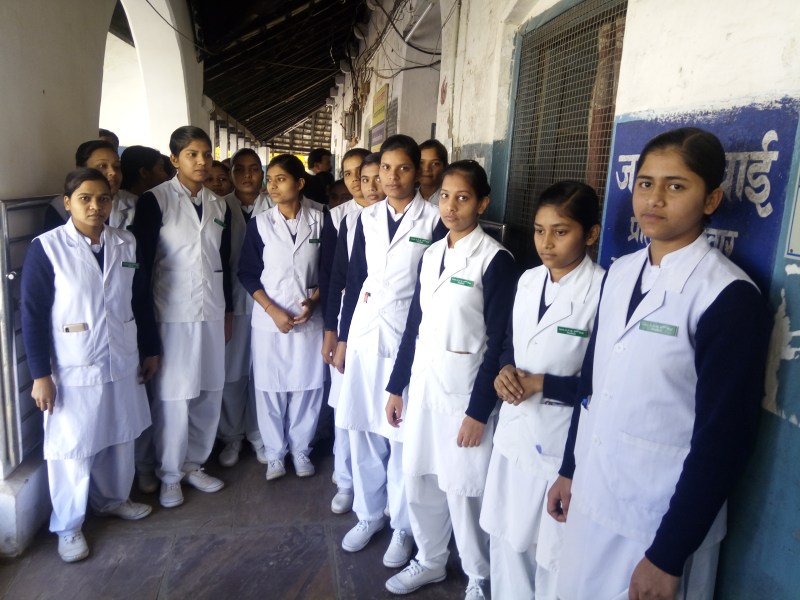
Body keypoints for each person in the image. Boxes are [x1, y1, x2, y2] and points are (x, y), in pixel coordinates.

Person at [546, 128, 772, 600]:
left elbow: (725, 439)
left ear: (711, 200)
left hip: (657, 522)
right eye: (646, 183)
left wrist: (669, 555)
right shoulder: (621, 272)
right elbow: (592, 384)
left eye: (676, 186)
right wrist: (569, 468)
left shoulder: (727, 296)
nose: (654, 198)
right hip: (594, 491)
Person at [383, 161, 517, 598]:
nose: (451, 206)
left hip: (464, 397)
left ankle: (479, 576)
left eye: (462, 197)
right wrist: (396, 386)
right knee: (419, 479)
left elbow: (499, 343)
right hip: (423, 389)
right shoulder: (431, 254)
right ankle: (431, 560)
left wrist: (479, 412)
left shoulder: (495, 261)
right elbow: (414, 327)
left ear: (482, 203)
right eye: (444, 196)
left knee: (464, 489)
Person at [21, 168, 160, 562]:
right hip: (72, 364)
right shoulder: (47, 248)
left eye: (103, 198)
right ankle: (68, 527)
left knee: (120, 434)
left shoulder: (125, 242)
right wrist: (40, 375)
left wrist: (150, 349)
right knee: (73, 446)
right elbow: (32, 314)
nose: (95, 206)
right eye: (85, 198)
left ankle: (113, 499)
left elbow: (139, 301)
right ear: (67, 203)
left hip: (123, 356)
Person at [481, 181, 604, 599]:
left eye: (560, 231)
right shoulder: (528, 280)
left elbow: (603, 385)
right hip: (515, 432)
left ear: (591, 234)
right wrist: (504, 370)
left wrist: (543, 384)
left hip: (559, 443)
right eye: (539, 230)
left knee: (552, 555)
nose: (546, 243)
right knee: (506, 540)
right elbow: (509, 344)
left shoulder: (603, 292)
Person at [333, 134, 447, 569]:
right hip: (364, 334)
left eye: (403, 168)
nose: (393, 177)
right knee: (362, 430)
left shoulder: (433, 220)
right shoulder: (366, 218)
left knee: (400, 437)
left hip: (406, 339)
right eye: (385, 168)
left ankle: (401, 526)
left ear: (418, 172)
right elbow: (355, 279)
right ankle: (368, 515)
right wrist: (343, 337)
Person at [131, 125, 233, 509]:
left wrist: (227, 311)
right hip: (171, 313)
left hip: (211, 310)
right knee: (174, 396)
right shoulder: (155, 201)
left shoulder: (218, 205)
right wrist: (145, 330)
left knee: (209, 390)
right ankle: (170, 474)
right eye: (192, 154)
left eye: (206, 154)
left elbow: (223, 261)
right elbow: (141, 265)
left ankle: (194, 463)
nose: (202, 161)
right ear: (174, 159)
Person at [238, 154, 325, 481]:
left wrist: (314, 302)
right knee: (270, 387)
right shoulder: (260, 224)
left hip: (308, 318)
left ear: (299, 183)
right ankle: (275, 454)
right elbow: (247, 273)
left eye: (280, 179)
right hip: (270, 320)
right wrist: (272, 310)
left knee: (307, 386)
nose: (272, 186)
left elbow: (329, 270)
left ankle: (301, 450)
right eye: (270, 179)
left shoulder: (320, 220)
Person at [319, 147, 370, 514]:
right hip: (347, 320)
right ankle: (345, 478)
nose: (359, 183)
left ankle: (373, 491)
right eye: (352, 175)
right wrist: (331, 329)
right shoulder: (346, 219)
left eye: (366, 176)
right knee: (344, 402)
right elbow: (335, 277)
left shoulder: (417, 219)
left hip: (385, 327)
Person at [217, 148, 272, 468]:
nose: (248, 175)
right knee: (233, 373)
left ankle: (259, 434)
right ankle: (232, 436)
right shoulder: (219, 206)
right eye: (240, 169)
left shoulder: (274, 206)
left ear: (262, 174)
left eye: (254, 169)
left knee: (261, 372)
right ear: (231, 173)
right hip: (231, 303)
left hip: (269, 303)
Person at [44, 140, 139, 231]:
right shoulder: (59, 208)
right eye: (102, 166)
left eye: (117, 167)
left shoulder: (135, 203)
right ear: (81, 170)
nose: (113, 172)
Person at [418, 139, 448, 205]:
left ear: (445, 167)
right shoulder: (408, 197)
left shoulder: (448, 200)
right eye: (421, 163)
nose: (426, 168)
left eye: (435, 164)